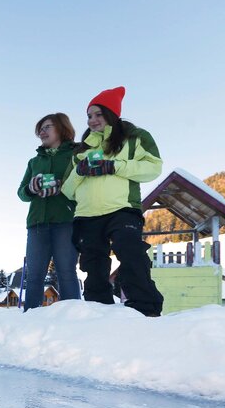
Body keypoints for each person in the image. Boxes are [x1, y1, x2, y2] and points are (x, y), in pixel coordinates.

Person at [61, 86, 164, 317]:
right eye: (89, 116)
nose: (92, 120)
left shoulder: (135, 138)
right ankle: (99, 310)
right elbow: (67, 190)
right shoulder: (81, 149)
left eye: (98, 114)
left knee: (130, 251)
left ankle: (146, 308)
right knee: (93, 263)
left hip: (122, 209)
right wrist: (80, 171)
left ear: (111, 113)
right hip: (87, 214)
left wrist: (114, 166)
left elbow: (153, 168)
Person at [17, 113, 82, 309]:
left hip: (65, 221)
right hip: (37, 223)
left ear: (62, 128)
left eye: (47, 127)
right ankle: (30, 318)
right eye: (40, 130)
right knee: (34, 274)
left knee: (66, 271)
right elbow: (21, 193)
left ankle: (73, 318)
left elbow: (83, 186)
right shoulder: (34, 162)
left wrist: (63, 187)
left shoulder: (75, 155)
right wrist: (31, 187)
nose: (42, 133)